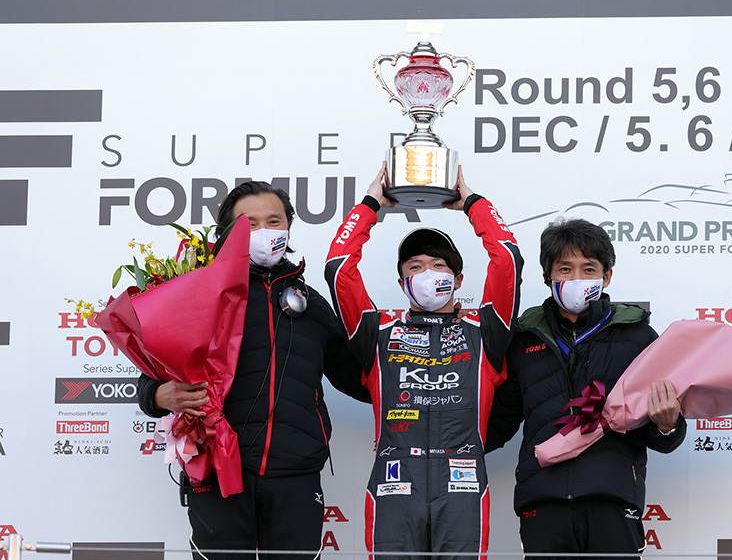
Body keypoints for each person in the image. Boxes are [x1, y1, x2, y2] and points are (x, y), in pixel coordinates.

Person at [137, 181, 368, 560]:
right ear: (226, 234)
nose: (264, 232)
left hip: (296, 471)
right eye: (249, 224)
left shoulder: (311, 304)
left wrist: (411, 374)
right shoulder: (199, 296)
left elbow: (357, 378)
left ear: (288, 228)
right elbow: (153, 373)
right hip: (219, 468)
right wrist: (160, 395)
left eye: (274, 222)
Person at [324, 163, 523, 559]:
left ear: (458, 280)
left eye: (438, 265)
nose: (427, 273)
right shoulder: (378, 332)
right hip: (394, 483)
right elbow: (339, 268)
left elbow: (507, 259)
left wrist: (473, 204)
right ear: (402, 283)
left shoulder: (486, 331)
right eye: (415, 266)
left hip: (463, 484)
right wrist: (370, 207)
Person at [486, 217, 686, 559]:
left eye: (589, 269)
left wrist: (668, 425)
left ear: (606, 277)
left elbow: (660, 433)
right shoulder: (523, 338)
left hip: (612, 498)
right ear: (547, 275)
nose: (577, 279)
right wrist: (447, 443)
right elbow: (500, 420)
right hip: (543, 500)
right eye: (565, 269)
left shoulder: (637, 336)